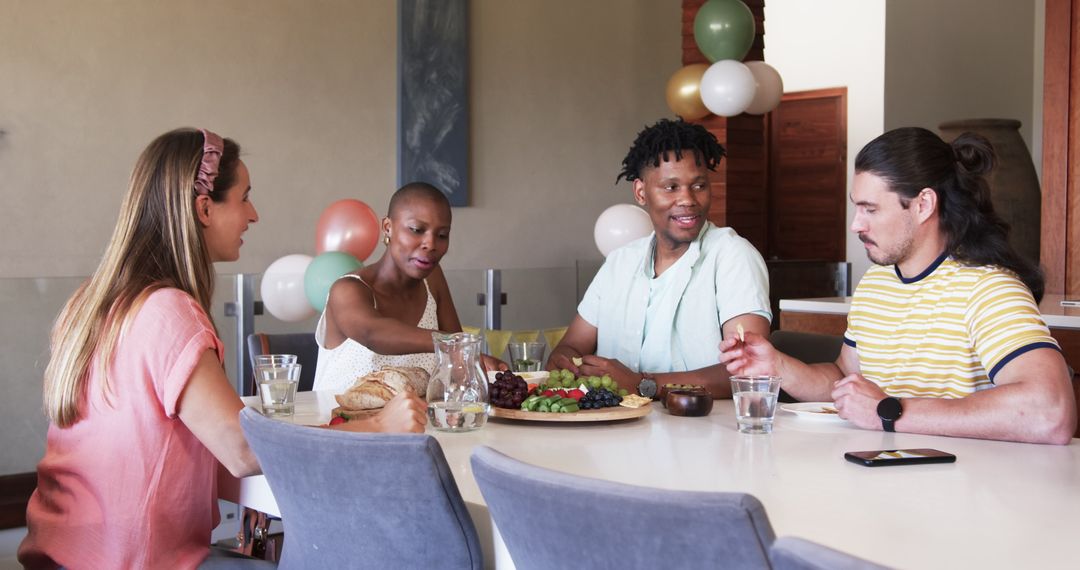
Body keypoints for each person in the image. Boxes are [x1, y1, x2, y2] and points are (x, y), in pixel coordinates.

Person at [18, 129, 427, 570]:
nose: (253, 214)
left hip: (61, 555)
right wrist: (379, 426)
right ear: (204, 208)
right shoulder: (168, 311)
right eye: (244, 197)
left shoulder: (91, 303)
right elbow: (244, 453)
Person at [720, 127, 1077, 445]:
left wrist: (889, 412)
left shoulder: (989, 289)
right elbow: (847, 379)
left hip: (967, 495)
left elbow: (1051, 411)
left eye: (870, 209)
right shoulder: (877, 282)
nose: (856, 225)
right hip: (886, 484)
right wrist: (775, 366)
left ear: (923, 205)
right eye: (856, 208)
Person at [547, 118, 772, 397]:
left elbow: (749, 368)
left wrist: (644, 384)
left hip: (704, 432)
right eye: (671, 187)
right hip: (614, 431)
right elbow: (572, 345)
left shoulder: (733, 256)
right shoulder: (620, 262)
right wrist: (564, 360)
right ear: (641, 192)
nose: (688, 199)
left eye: (699, 186)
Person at [313, 182, 505, 393]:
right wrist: (454, 345)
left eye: (442, 235)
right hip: (336, 423)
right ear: (388, 227)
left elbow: (456, 365)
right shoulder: (347, 289)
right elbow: (372, 333)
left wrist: (480, 370)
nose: (430, 244)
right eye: (416, 230)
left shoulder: (432, 279)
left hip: (415, 425)